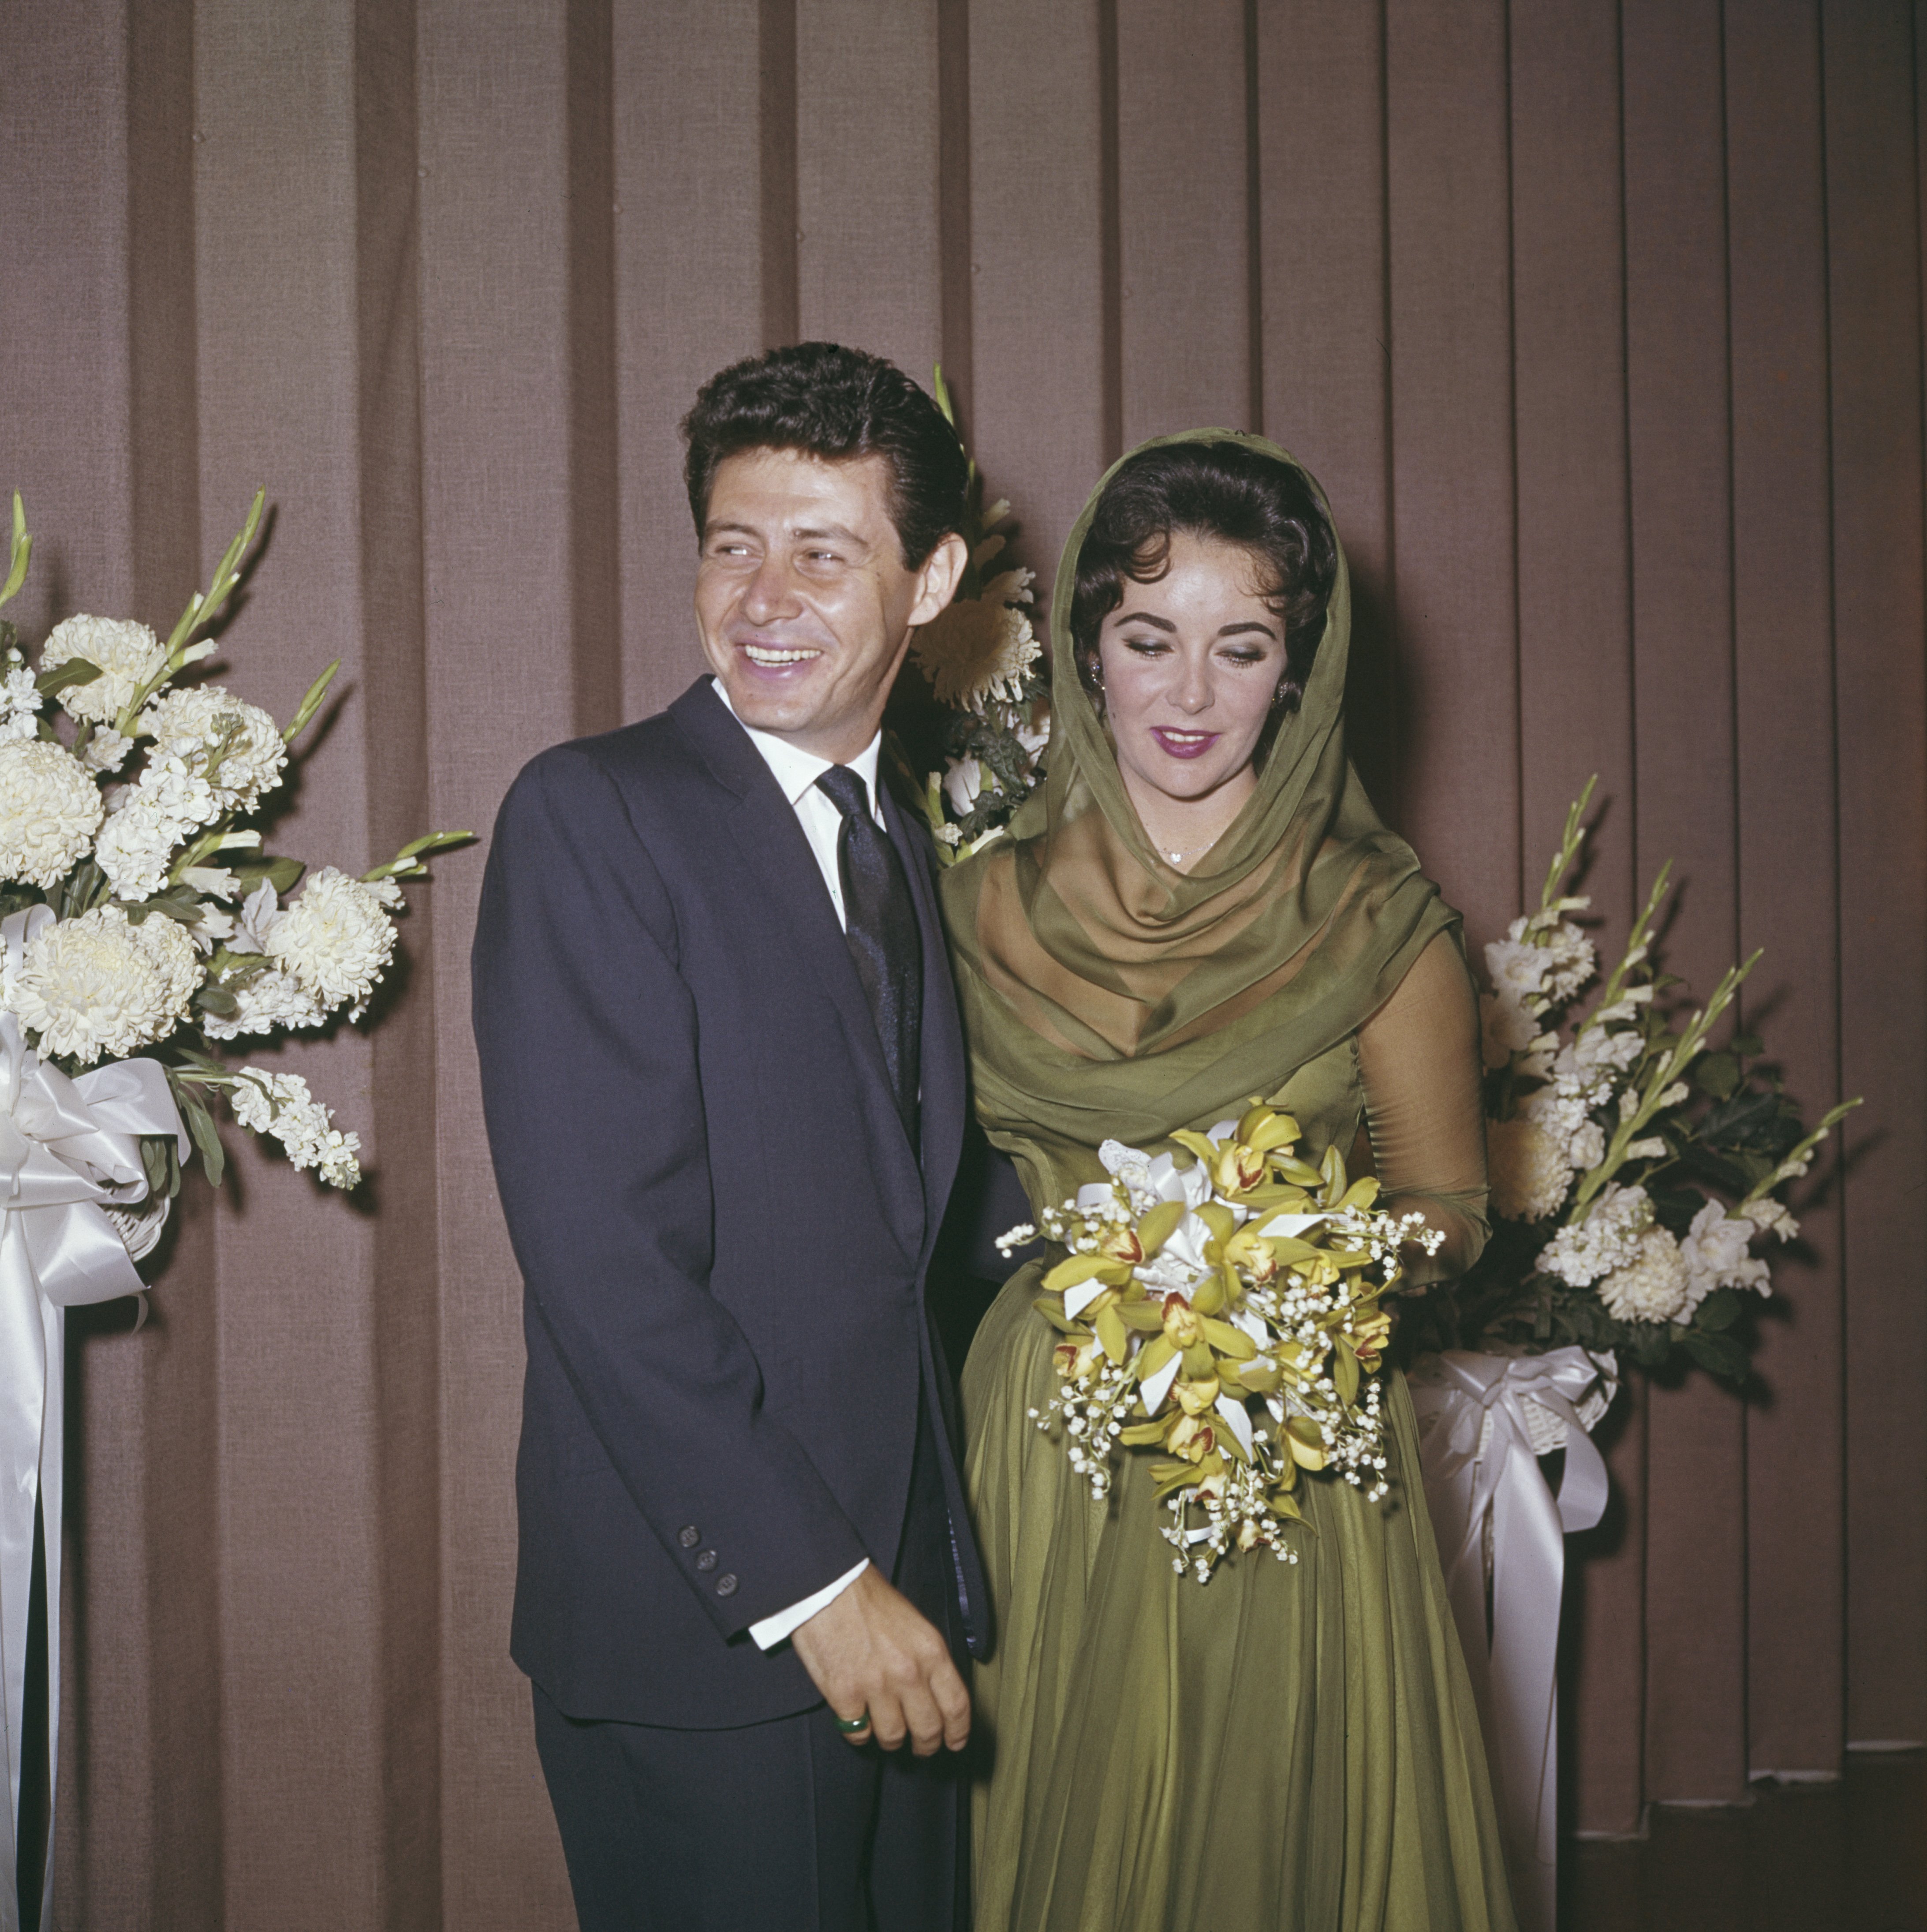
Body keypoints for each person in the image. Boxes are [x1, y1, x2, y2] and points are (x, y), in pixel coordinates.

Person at [941, 432, 1517, 1931]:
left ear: (1298, 669)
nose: (1190, 696)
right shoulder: (968, 903)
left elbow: (1454, 1208)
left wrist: (1293, 1264)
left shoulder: (1375, 915)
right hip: (1045, 1440)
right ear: (1084, 653)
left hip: (1290, 1445)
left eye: (1240, 646)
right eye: (1149, 640)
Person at [472, 341, 990, 1932]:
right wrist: (813, 1592)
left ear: (932, 578)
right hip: (720, 1634)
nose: (762, 597)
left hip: (910, 1615)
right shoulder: (594, 811)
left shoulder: (905, 839)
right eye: (730, 545)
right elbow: (605, 1263)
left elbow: (912, 1221)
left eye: (822, 552)